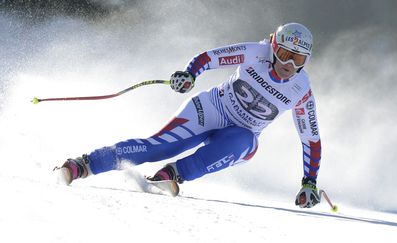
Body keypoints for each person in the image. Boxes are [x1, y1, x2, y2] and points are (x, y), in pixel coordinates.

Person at [57, 22, 322, 208]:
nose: (289, 65)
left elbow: (310, 139)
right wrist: (189, 74)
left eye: (298, 60)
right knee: (158, 147)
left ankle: (174, 174)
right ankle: (84, 164)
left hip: (240, 135)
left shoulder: (301, 90)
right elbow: (209, 57)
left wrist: (309, 182)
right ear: (274, 47)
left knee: (244, 141)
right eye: (285, 54)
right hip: (211, 109)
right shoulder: (256, 52)